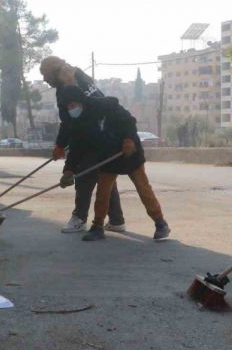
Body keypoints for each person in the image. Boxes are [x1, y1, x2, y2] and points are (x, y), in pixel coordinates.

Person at [58, 85, 170, 242]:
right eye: (68, 107)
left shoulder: (105, 105)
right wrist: (68, 171)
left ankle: (160, 223)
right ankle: (97, 227)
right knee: (103, 193)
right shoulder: (78, 123)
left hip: (129, 152)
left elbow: (129, 121)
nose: (71, 110)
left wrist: (130, 139)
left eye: (73, 105)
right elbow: (76, 148)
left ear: (81, 101)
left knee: (143, 189)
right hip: (107, 157)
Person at [39, 56, 126, 233]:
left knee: (84, 177)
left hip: (95, 138)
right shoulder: (81, 76)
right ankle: (117, 220)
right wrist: (61, 145)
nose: (44, 79)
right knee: (106, 178)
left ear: (55, 73)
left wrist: (61, 147)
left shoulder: (67, 89)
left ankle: (79, 218)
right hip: (110, 133)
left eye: (45, 74)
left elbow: (71, 122)